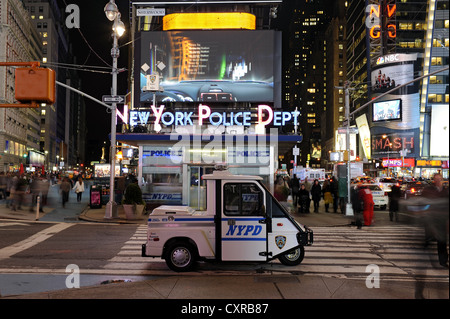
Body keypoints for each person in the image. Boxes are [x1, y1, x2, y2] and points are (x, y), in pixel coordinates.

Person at [421, 173, 449, 268]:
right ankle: (427, 242)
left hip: (442, 219)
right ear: (434, 180)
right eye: (436, 179)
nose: (438, 181)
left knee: (442, 240)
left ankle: (443, 261)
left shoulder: (445, 191)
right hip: (432, 218)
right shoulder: (429, 190)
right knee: (431, 235)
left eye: (439, 179)